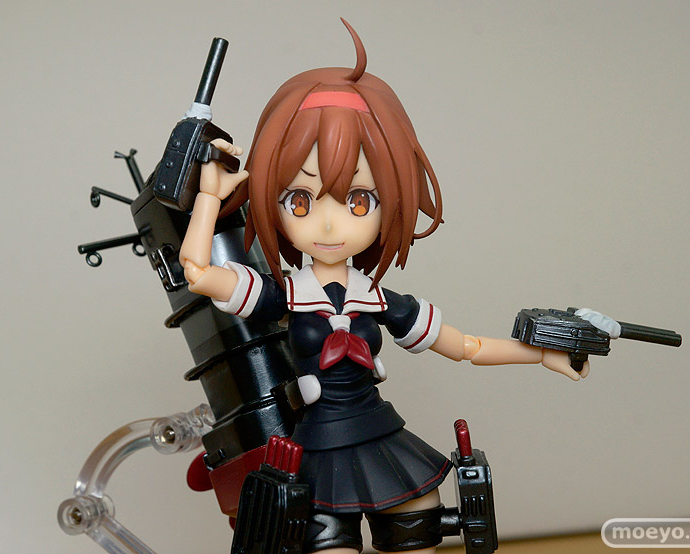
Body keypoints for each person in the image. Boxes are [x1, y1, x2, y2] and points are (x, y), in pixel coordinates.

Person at [178, 20, 586, 554]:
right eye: (300, 200)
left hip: (383, 440)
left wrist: (541, 353)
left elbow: (466, 346)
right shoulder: (285, 295)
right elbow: (197, 271)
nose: (329, 224)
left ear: (389, 201)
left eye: (358, 200)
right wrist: (210, 198)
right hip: (318, 450)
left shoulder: (381, 301)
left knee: (418, 532)